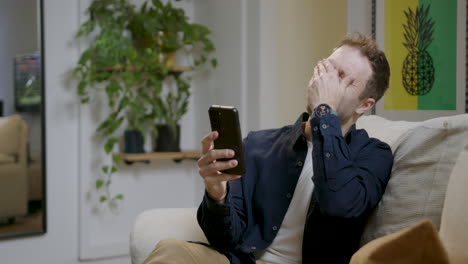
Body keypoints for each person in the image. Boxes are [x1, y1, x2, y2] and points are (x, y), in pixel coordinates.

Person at [143, 33, 393, 264]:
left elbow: (339, 204)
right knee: (170, 251)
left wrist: (323, 111)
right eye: (326, 68)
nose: (324, 80)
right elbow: (226, 240)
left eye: (340, 77)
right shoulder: (257, 145)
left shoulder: (374, 155)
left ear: (365, 104)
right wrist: (217, 194)